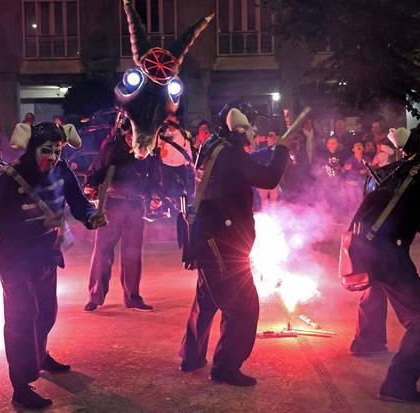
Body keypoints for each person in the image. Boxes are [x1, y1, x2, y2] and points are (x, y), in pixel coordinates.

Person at [0, 122, 106, 410]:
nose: (53, 157)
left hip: (46, 253)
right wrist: (37, 220)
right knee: (22, 319)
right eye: (46, 150)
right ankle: (21, 386)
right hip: (15, 257)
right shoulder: (9, 177)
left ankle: (40, 355)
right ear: (32, 149)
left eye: (57, 151)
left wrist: (91, 216)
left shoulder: (61, 170)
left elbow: (77, 200)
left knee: (47, 312)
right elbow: (6, 217)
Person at [180, 101, 289, 387]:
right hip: (222, 244)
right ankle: (225, 368)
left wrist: (272, 150)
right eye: (252, 126)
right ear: (239, 127)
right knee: (244, 306)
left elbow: (247, 165)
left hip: (209, 238)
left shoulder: (213, 146)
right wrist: (282, 151)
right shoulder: (229, 155)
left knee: (206, 301)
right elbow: (268, 177)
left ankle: (191, 356)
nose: (256, 132)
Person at [348, 128, 420, 405]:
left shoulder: (387, 169)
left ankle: (367, 342)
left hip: (364, 246)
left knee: (376, 286)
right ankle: (398, 385)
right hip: (388, 251)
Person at [84, 120, 163, 312]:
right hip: (112, 204)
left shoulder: (148, 150)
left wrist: (156, 196)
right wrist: (91, 186)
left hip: (135, 206)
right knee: (102, 251)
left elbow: (154, 178)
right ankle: (95, 296)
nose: (132, 140)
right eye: (130, 136)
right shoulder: (112, 148)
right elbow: (96, 170)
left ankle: (132, 297)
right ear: (126, 133)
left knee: (132, 253)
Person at [159, 114, 195, 208]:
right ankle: (171, 209)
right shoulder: (162, 135)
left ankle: (186, 208)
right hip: (166, 167)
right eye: (168, 121)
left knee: (185, 189)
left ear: (177, 122)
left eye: (172, 121)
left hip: (181, 167)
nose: (170, 124)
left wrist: (190, 164)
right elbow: (159, 150)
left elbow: (188, 150)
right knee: (169, 191)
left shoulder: (184, 134)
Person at [342, 141, 370, 211]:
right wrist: (345, 167)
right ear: (353, 149)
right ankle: (352, 216)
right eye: (356, 146)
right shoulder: (350, 159)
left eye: (360, 146)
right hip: (351, 183)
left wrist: (366, 170)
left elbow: (370, 170)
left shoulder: (366, 159)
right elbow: (343, 170)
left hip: (361, 184)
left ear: (362, 148)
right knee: (353, 202)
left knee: (361, 201)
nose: (358, 147)